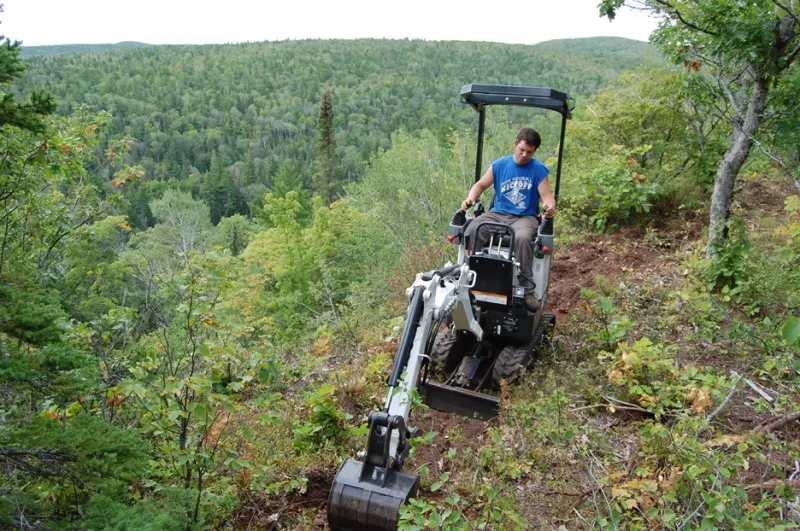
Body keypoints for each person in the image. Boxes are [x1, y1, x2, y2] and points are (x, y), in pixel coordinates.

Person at [461, 127, 557, 311]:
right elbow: (481, 184)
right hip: (498, 213)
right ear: (515, 144)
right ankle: (469, 278)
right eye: (521, 149)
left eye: (529, 152)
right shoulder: (499, 165)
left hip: (524, 217)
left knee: (521, 238)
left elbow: (547, 195)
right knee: (473, 229)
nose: (524, 154)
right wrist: (471, 198)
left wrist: (549, 207)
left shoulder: (538, 170)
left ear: (534, 151)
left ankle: (527, 290)